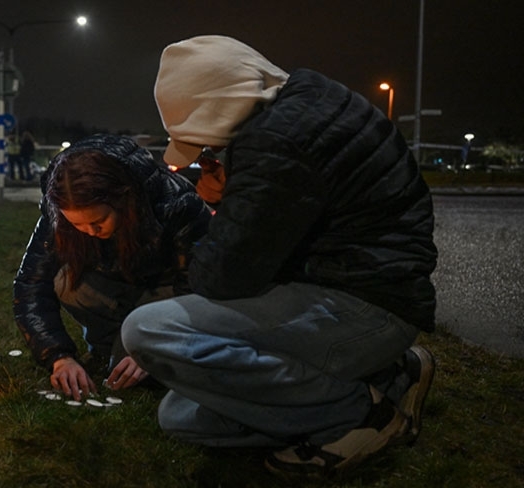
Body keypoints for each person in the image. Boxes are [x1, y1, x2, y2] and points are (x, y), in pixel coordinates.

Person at [121, 35, 438, 478]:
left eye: (204, 144)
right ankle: (389, 377)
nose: (208, 156)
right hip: (367, 293)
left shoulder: (276, 144)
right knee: (179, 416)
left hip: (364, 305)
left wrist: (223, 201)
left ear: (214, 108)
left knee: (148, 329)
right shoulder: (307, 98)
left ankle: (359, 416)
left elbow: (222, 278)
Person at [13, 133, 212, 401]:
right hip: (114, 288)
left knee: (147, 371)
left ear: (124, 201)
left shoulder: (175, 203)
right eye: (77, 225)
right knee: (66, 281)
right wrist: (58, 357)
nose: (89, 232)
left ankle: (137, 349)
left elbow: (198, 287)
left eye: (98, 221)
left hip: (165, 292)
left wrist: (154, 349)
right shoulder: (58, 215)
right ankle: (108, 350)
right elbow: (30, 285)